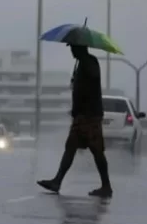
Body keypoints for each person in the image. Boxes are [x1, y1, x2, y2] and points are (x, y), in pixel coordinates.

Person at [37, 44, 113, 198]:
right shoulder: (82, 64)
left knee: (97, 151)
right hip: (81, 115)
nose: (71, 51)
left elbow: (93, 77)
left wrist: (82, 76)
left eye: (73, 48)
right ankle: (57, 181)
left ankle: (106, 186)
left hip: (90, 115)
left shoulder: (89, 62)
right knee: (70, 147)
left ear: (80, 48)